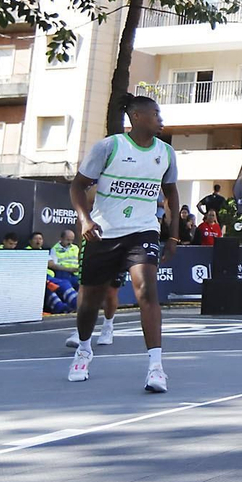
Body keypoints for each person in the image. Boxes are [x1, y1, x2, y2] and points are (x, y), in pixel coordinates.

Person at [66, 94, 180, 393]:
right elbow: (78, 186)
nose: (161, 120)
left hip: (143, 231)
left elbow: (171, 194)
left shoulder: (166, 152)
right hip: (103, 232)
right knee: (90, 301)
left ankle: (156, 367)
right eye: (156, 114)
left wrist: (173, 235)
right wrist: (85, 220)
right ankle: (84, 350)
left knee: (147, 291)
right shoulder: (108, 147)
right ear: (137, 117)